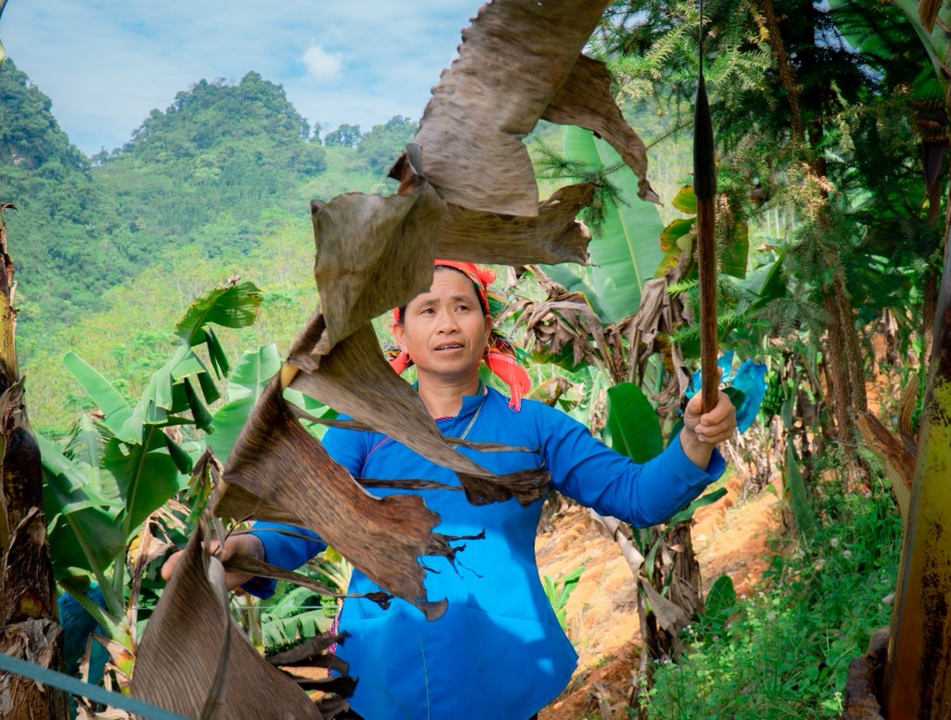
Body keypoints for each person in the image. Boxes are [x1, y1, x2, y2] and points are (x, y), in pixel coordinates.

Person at [164, 260, 737, 719]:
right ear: (401, 331)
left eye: (462, 307)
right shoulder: (362, 432)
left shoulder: (533, 425)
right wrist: (252, 551)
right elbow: (308, 519)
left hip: (505, 666)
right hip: (384, 673)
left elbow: (634, 494)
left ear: (485, 324)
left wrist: (693, 442)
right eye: (428, 309)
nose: (447, 323)